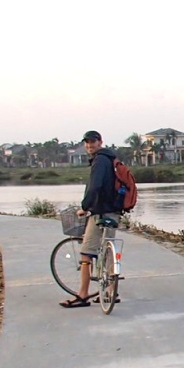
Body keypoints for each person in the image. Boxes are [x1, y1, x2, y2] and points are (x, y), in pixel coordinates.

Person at [60, 131, 121, 308]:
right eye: (87, 143)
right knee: (107, 251)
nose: (89, 145)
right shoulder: (109, 158)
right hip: (113, 211)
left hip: (100, 212)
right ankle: (111, 292)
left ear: (100, 142)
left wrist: (85, 208)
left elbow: (95, 187)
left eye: (93, 142)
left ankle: (82, 295)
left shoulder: (100, 160)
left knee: (86, 253)